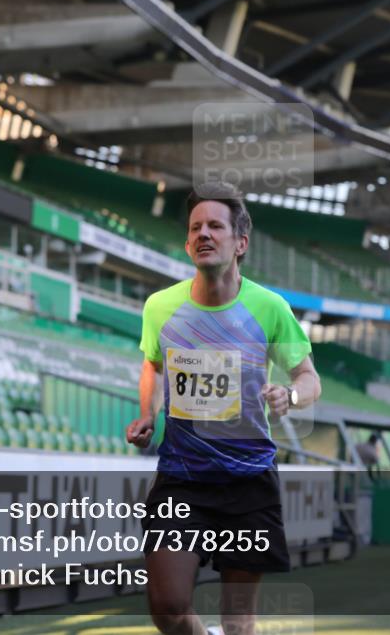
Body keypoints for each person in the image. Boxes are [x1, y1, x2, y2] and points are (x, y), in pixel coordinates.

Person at [127, 182, 322, 635]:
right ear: (187, 242)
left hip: (247, 479)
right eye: (196, 227)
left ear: (240, 242)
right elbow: (152, 366)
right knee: (168, 607)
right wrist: (147, 414)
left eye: (216, 225)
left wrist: (289, 397)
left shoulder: (269, 307)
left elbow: (310, 379)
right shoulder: (160, 306)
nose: (204, 234)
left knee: (238, 623)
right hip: (182, 478)